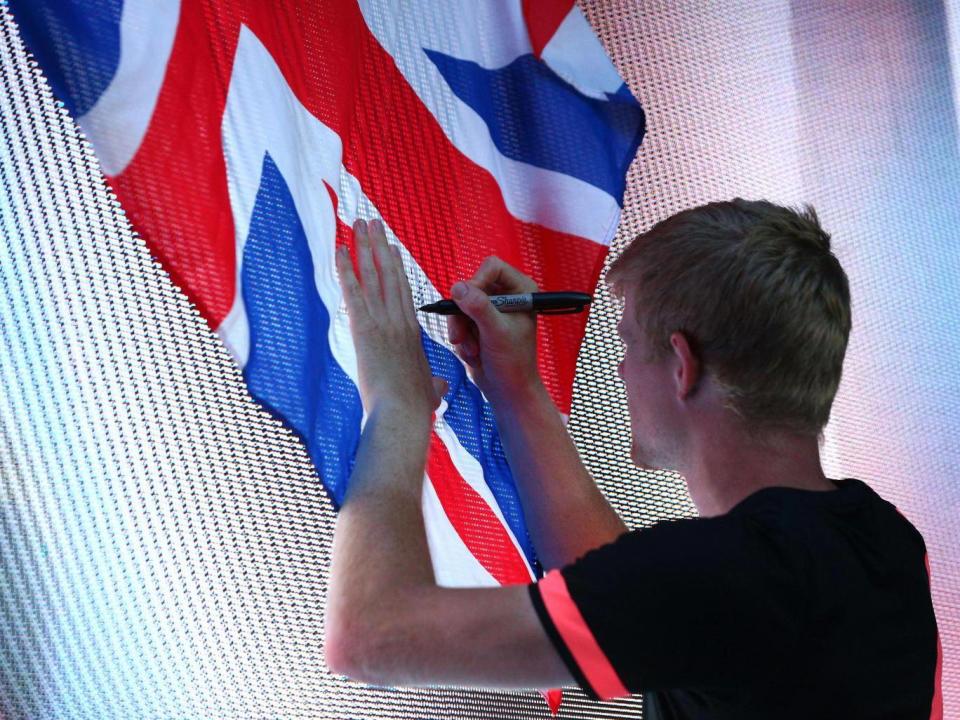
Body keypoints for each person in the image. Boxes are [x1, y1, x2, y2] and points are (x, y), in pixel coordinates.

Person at [324, 200, 942, 719]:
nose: (619, 368)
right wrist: (515, 388)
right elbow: (632, 592)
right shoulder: (882, 542)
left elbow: (369, 635)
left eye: (626, 343)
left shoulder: (729, 576)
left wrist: (399, 409)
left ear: (682, 365)